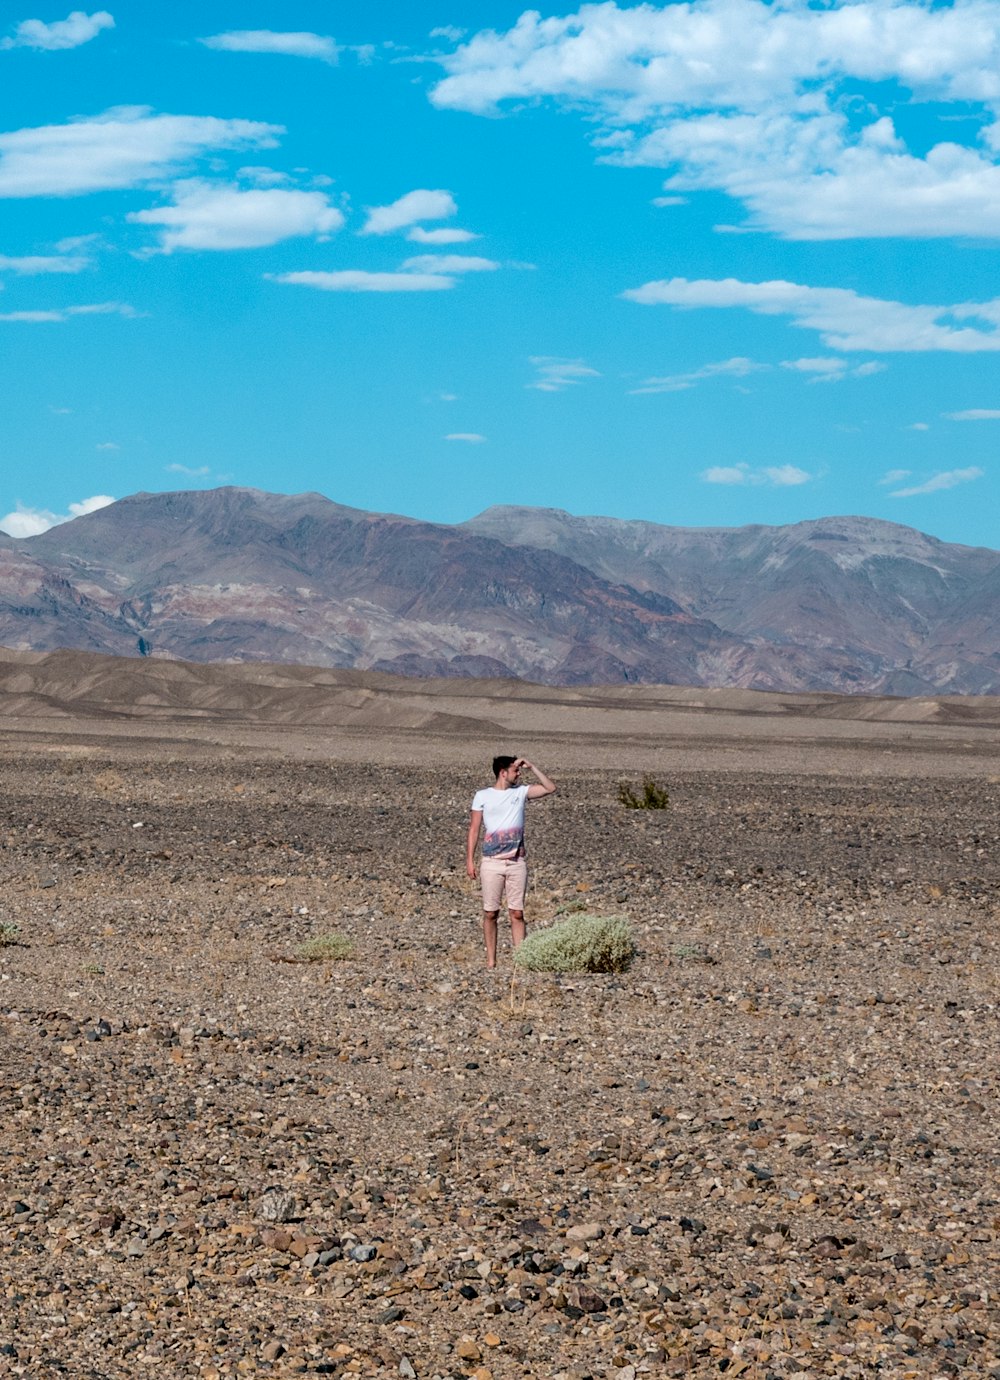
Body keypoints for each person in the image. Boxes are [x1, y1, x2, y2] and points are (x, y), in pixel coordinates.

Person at [466, 755, 557, 968]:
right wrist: (469, 860)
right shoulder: (482, 796)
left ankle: (521, 960)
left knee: (516, 912)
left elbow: (550, 788)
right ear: (502, 772)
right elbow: (474, 829)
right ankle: (491, 960)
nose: (519, 774)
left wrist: (532, 766)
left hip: (516, 862)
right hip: (491, 862)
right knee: (491, 912)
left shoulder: (521, 792)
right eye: (515, 771)